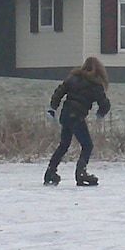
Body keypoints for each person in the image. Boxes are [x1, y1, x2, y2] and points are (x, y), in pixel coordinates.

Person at [44, 56, 110, 186]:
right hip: (77, 117)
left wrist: (52, 108)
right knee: (87, 145)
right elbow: (105, 104)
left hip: (66, 115)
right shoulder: (95, 84)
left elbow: (59, 92)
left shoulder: (72, 78)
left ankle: (50, 171)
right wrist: (100, 115)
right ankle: (81, 173)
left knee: (64, 145)